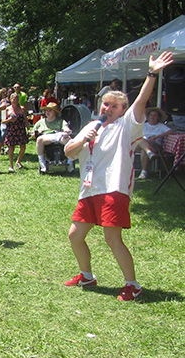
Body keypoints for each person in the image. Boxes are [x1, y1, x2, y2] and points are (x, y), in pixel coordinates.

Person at [63, 51, 174, 301]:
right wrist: (82, 140)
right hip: (89, 189)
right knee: (75, 235)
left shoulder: (127, 126)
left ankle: (132, 285)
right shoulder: (92, 126)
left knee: (112, 238)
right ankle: (87, 276)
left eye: (114, 106)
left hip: (113, 189)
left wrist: (152, 74)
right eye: (105, 104)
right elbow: (69, 153)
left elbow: (141, 103)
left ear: (122, 110)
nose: (108, 108)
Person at [32, 102, 73, 173]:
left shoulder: (61, 121)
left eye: (50, 110)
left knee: (69, 139)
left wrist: (66, 130)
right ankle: (42, 163)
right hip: (47, 136)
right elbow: (33, 132)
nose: (47, 112)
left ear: (55, 112)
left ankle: (70, 162)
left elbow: (66, 127)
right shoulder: (40, 122)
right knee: (39, 139)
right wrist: (35, 133)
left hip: (59, 134)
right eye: (46, 110)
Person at [136, 107, 173, 179]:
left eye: (155, 115)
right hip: (142, 144)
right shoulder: (144, 125)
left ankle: (144, 172)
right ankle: (149, 153)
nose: (152, 117)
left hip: (155, 146)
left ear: (158, 117)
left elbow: (170, 132)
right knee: (140, 140)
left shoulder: (161, 126)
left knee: (144, 149)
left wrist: (156, 136)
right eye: (151, 115)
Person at [3, 92, 29, 172]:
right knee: (11, 148)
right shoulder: (6, 109)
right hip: (11, 130)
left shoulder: (22, 108)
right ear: (10, 100)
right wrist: (9, 120)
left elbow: (25, 119)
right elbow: (3, 121)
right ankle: (11, 165)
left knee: (23, 147)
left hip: (20, 129)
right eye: (13, 99)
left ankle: (18, 161)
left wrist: (29, 129)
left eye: (17, 99)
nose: (15, 100)